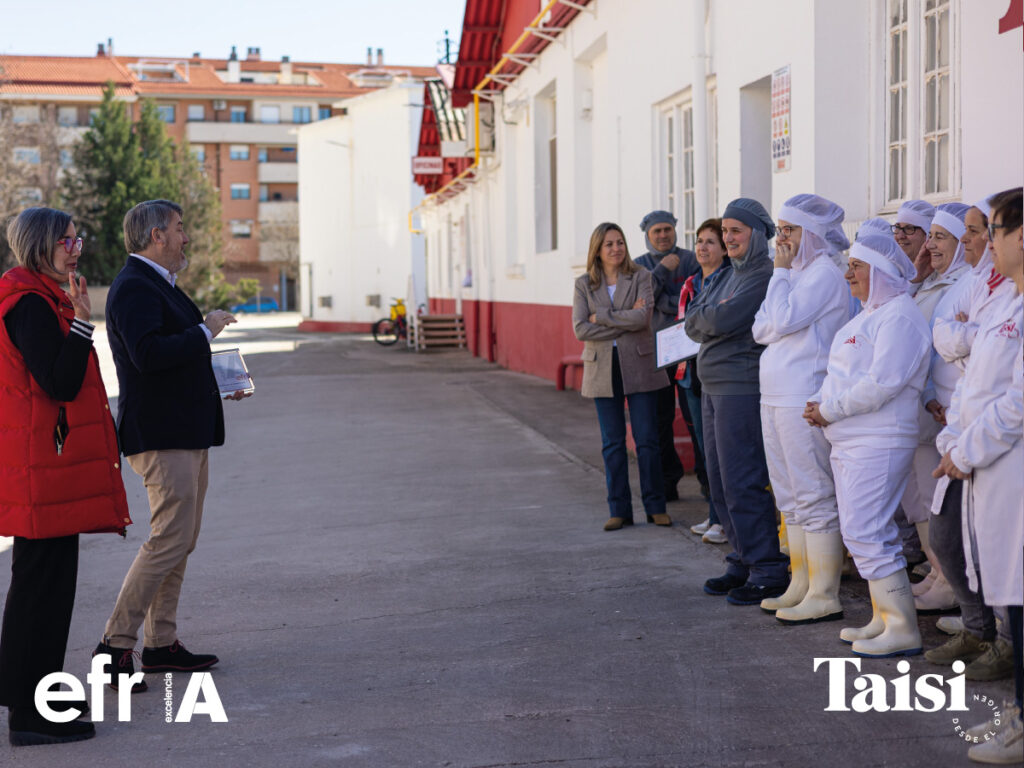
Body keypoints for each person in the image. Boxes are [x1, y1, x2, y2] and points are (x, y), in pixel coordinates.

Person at [94, 199, 244, 688]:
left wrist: (220, 380)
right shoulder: (135, 286)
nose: (186, 237)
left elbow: (173, 360)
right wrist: (205, 330)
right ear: (156, 235)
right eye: (180, 228)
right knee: (168, 540)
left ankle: (161, 643)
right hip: (162, 435)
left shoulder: (160, 284)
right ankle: (114, 646)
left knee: (182, 539)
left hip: (184, 430)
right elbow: (148, 355)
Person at [0, 207, 131, 746]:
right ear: (39, 245)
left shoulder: (39, 296)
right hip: (41, 469)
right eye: (66, 242)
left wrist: (74, 316)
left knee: (48, 588)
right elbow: (59, 380)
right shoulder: (28, 303)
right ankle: (29, 716)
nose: (76, 250)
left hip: (48, 465)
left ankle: (35, 697)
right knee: (41, 591)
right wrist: (81, 322)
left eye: (78, 240)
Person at [805, 234, 931, 657]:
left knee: (868, 529)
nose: (848, 275)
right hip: (852, 438)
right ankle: (884, 617)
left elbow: (883, 383)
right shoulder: (869, 315)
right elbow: (841, 375)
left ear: (880, 271)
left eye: (857, 267)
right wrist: (820, 403)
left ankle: (903, 627)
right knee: (860, 530)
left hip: (880, 438)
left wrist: (829, 410)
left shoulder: (900, 316)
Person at [933, 187, 1023, 764]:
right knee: (1010, 591)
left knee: (1020, 593)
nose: (986, 241)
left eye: (995, 230)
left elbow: (1017, 403)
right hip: (989, 464)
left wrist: (965, 450)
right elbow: (971, 381)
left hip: (1009, 467)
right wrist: (956, 439)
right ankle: (1020, 711)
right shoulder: (1004, 301)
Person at [685, 198, 789, 605]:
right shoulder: (727, 274)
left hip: (739, 389)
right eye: (725, 231)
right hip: (712, 387)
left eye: (736, 231)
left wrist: (709, 317)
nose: (728, 238)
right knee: (719, 482)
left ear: (757, 234)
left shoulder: (763, 276)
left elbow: (719, 319)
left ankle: (766, 568)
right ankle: (742, 559)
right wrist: (708, 317)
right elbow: (694, 318)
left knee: (742, 479)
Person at [752, 195, 850, 623]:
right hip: (774, 395)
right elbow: (760, 328)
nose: (782, 239)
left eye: (789, 229)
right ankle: (801, 582)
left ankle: (824, 592)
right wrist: (781, 300)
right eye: (780, 229)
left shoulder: (824, 272)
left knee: (812, 492)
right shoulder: (795, 274)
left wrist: (778, 276)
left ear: (810, 233)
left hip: (802, 394)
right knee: (788, 496)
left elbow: (782, 320)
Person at [573, 222, 670, 531]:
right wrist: (624, 322)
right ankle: (619, 510)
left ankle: (656, 507)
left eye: (620, 242)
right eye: (609, 244)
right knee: (612, 443)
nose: (616, 248)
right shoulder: (584, 284)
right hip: (602, 366)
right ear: (597, 250)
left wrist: (601, 317)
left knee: (647, 440)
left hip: (638, 364)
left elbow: (643, 319)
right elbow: (580, 328)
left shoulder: (641, 276)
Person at [902, 203, 973, 615]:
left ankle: (950, 581)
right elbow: (919, 337)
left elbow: (957, 348)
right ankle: (938, 571)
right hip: (927, 404)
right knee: (922, 497)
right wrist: (916, 278)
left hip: (949, 408)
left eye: (940, 237)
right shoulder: (932, 282)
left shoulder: (964, 285)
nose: (930, 245)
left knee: (940, 499)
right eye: (930, 236)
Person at [633, 211, 700, 501]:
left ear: (675, 230)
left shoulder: (691, 259)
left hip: (689, 353)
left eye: (667, 229)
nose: (663, 235)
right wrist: (661, 272)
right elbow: (641, 301)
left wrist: (665, 302)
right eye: (656, 231)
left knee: (694, 418)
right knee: (660, 420)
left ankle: (706, 481)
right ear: (647, 235)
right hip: (654, 355)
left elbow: (697, 298)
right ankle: (668, 483)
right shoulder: (639, 266)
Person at [679, 219, 730, 545]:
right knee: (705, 450)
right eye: (699, 241)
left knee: (722, 452)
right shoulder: (692, 283)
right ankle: (715, 514)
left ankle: (723, 521)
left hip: (715, 373)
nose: (702, 247)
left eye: (710, 241)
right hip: (690, 376)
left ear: (724, 250)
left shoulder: (727, 281)